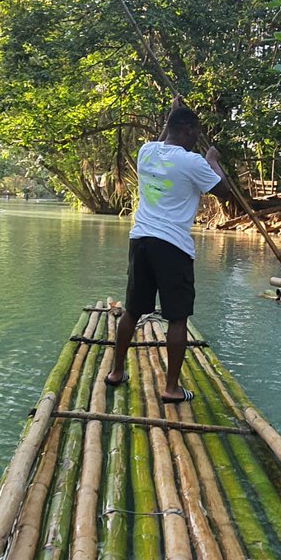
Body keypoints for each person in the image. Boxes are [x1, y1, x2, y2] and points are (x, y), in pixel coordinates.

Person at [105, 99, 231, 403]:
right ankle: (172, 388)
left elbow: (164, 138)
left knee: (133, 310)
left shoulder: (146, 151)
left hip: (141, 241)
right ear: (187, 130)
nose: (196, 137)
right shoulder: (194, 162)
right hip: (172, 246)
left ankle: (116, 372)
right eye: (195, 131)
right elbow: (225, 193)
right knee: (177, 317)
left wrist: (173, 112)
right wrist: (213, 160)